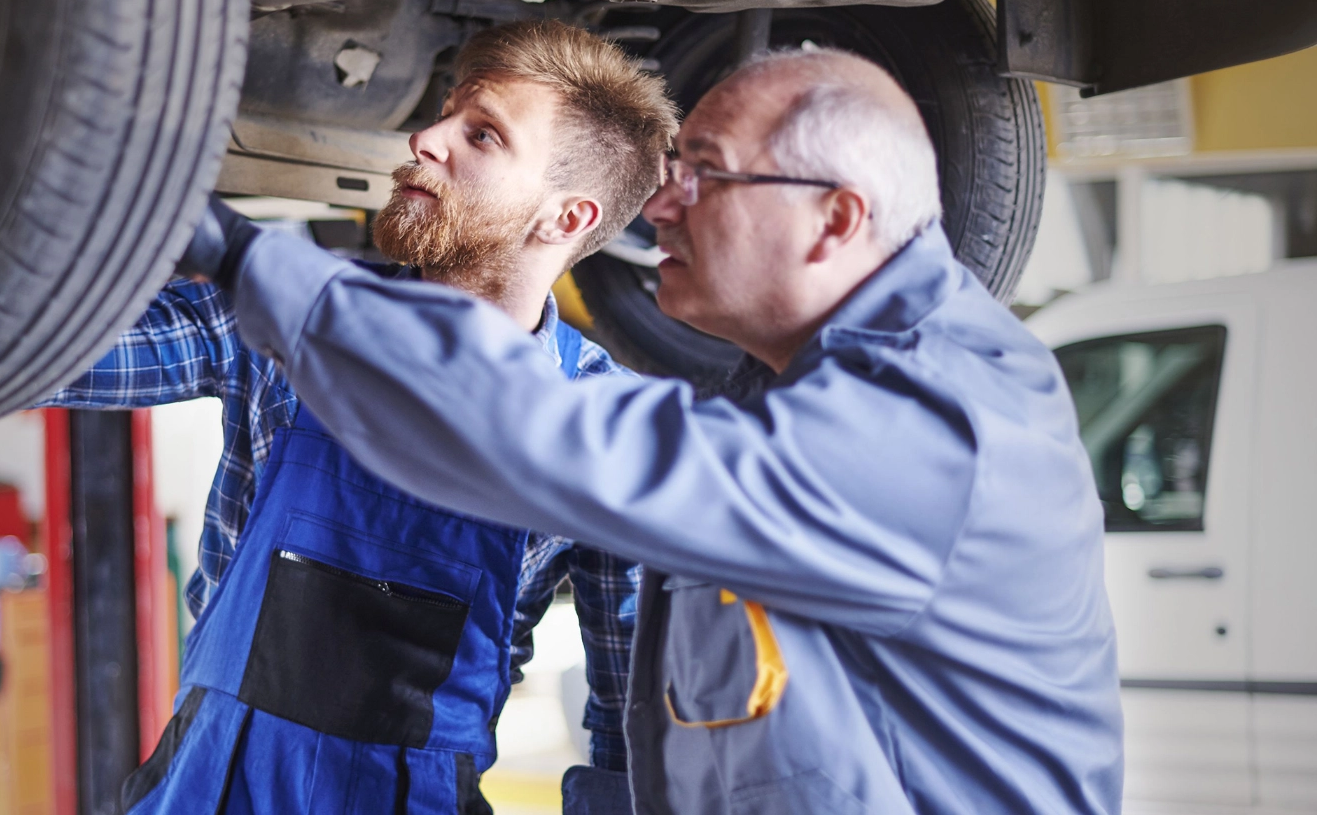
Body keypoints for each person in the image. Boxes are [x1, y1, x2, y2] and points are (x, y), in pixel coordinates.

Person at [188, 47, 1124, 813]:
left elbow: (552, 434)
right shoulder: (796, 394)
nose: (661, 207)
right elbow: (660, 732)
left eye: (706, 176)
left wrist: (237, 255)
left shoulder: (938, 423)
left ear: (834, 218)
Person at [41, 21, 679, 814]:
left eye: (480, 135)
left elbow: (629, 727)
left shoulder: (602, 425)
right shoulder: (292, 304)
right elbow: (47, 355)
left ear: (566, 217)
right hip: (205, 784)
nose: (425, 138)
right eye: (445, 113)